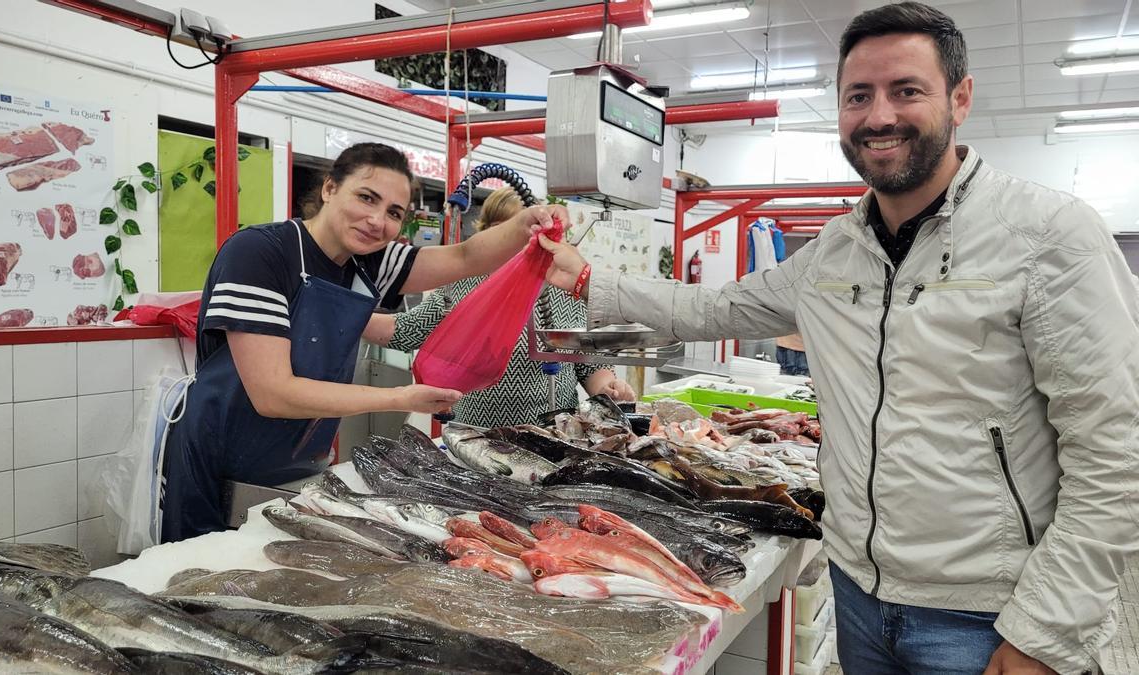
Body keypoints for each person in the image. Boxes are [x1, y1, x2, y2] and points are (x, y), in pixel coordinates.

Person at [540, 4, 1139, 673]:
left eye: (906, 90)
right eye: (859, 96)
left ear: (960, 98)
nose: (879, 116)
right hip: (858, 592)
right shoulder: (835, 250)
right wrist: (588, 278)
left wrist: (1046, 632)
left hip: (985, 614)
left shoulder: (1050, 236)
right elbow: (716, 308)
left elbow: (1116, 451)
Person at [160, 142, 567, 543]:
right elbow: (272, 393)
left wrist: (525, 224)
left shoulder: (370, 261)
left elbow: (464, 258)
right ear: (330, 188)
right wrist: (400, 398)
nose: (377, 220)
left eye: (394, 213)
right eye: (366, 197)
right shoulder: (260, 254)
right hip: (220, 464)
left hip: (301, 457)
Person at [362, 187, 634, 427]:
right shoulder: (462, 283)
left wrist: (607, 387)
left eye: (526, 232)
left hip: (551, 434)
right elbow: (404, 331)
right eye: (503, 230)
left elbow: (589, 364)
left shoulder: (563, 286)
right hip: (474, 435)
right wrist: (348, 316)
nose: (515, 241)